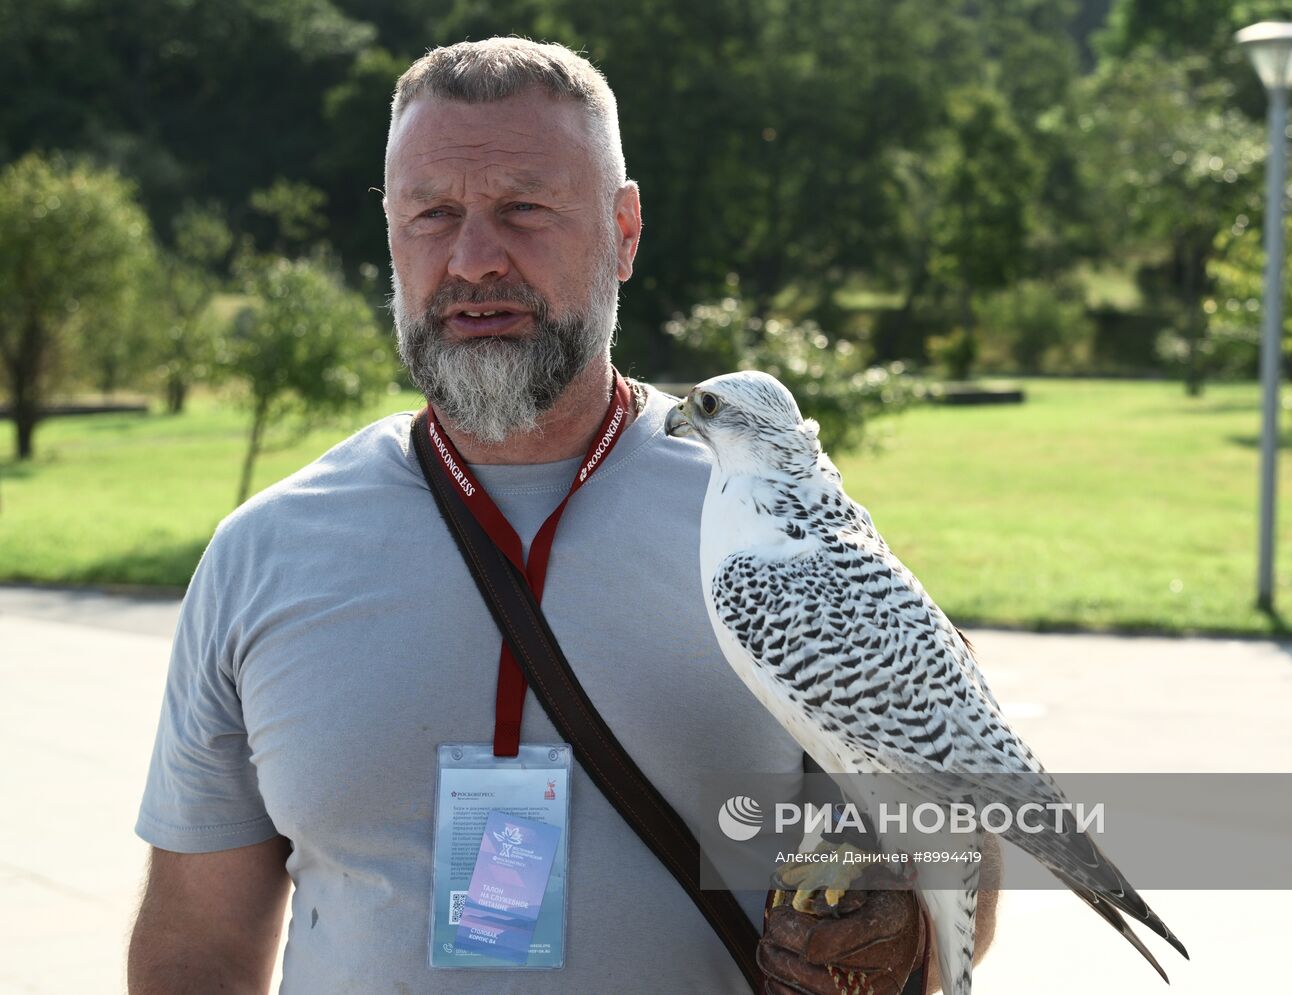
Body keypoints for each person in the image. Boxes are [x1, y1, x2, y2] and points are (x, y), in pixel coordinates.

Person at [127, 38, 995, 994]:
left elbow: (957, 853)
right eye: (432, 213)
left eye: (525, 209)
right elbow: (196, 949)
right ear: (391, 233)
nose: (474, 260)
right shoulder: (264, 552)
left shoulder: (777, 536)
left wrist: (896, 936)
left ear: (624, 231)